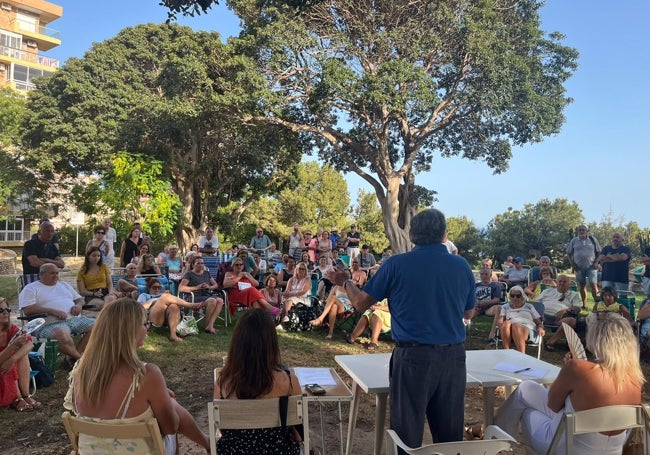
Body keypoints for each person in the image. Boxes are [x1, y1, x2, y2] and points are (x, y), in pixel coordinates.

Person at [326, 208, 475, 448]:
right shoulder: (462, 266)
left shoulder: (396, 264)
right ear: (444, 235)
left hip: (413, 357)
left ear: (412, 235)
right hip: (453, 357)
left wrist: (344, 281)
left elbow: (361, 302)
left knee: (407, 434)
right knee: (450, 436)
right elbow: (468, 312)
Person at [65, 298, 209, 453]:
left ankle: (208, 443)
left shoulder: (80, 369)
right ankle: (208, 444)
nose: (146, 329)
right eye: (144, 324)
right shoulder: (146, 374)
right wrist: (165, 399)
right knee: (171, 405)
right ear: (130, 330)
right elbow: (170, 428)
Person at [494, 313, 644, 455]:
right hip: (611, 450)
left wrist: (568, 372)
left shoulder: (578, 368)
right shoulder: (636, 380)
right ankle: (495, 434)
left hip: (566, 447)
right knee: (526, 387)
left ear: (597, 339)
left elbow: (553, 404)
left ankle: (495, 438)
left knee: (526, 409)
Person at [214, 308, 301, 454]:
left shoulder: (223, 383)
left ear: (238, 343)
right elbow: (299, 434)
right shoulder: (289, 382)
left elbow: (223, 429)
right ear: (271, 343)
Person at [19, 264, 95, 362]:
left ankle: (73, 357)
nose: (56, 276)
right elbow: (28, 309)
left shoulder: (64, 285)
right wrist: (52, 311)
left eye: (57, 273)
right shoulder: (31, 288)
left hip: (74, 319)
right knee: (62, 334)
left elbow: (80, 299)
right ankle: (81, 361)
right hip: (48, 324)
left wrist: (79, 305)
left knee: (99, 326)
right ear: (41, 274)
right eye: (52, 273)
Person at [0, 297, 42, 412]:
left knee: (21, 355)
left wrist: (12, 359)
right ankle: (16, 399)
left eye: (7, 309)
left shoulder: (9, 328)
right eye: (1, 310)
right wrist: (13, 346)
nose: (5, 312)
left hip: (7, 365)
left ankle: (25, 396)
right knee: (11, 356)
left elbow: (30, 344)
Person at [138, 278, 207, 342]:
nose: (157, 289)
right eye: (154, 287)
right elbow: (141, 306)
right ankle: (191, 305)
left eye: (159, 287)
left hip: (167, 317)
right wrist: (156, 302)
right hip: (153, 317)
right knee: (165, 296)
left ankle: (173, 335)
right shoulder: (144, 295)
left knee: (173, 306)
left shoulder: (162, 295)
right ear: (149, 288)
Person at [177, 257, 223, 334]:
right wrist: (197, 287)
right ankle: (207, 326)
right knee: (212, 301)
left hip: (206, 295)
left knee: (220, 300)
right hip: (194, 297)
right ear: (193, 265)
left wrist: (209, 287)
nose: (200, 265)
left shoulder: (206, 273)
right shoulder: (189, 274)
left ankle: (210, 325)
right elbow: (181, 288)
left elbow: (215, 285)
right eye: (198, 263)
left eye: (202, 263)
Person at [537, 275, 582, 351]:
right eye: (560, 281)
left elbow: (577, 308)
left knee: (572, 321)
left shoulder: (573, 294)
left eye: (564, 282)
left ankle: (550, 342)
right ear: (556, 283)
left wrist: (567, 310)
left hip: (559, 318)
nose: (562, 283)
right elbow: (536, 303)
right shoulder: (546, 291)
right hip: (541, 316)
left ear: (569, 284)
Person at [496, 286, 545, 353]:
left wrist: (540, 328)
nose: (515, 298)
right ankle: (507, 352)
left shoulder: (529, 307)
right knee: (506, 323)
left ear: (522, 297)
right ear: (510, 297)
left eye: (518, 296)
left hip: (527, 328)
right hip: (509, 330)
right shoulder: (505, 307)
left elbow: (539, 323)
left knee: (516, 325)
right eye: (512, 296)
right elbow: (500, 321)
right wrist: (501, 325)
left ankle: (522, 355)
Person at [567, 225, 601, 309]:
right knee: (582, 286)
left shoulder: (593, 239)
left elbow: (599, 252)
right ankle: (584, 305)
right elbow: (568, 253)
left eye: (583, 230)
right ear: (577, 232)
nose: (581, 231)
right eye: (579, 230)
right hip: (578, 267)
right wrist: (572, 264)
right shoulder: (574, 241)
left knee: (594, 285)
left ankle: (597, 305)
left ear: (587, 231)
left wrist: (596, 262)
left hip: (591, 267)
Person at [474, 267, 503, 343]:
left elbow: (497, 299)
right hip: (476, 307)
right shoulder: (475, 285)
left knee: (499, 308)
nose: (484, 276)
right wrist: (474, 304)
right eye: (482, 274)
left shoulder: (495, 286)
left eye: (486, 274)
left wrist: (484, 303)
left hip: (489, 308)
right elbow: (468, 297)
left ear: (490, 275)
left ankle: (492, 335)